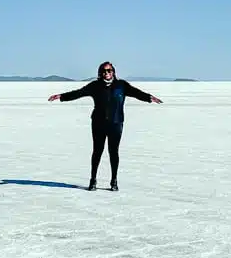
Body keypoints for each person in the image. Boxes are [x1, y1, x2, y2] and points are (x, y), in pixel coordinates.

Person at [49, 62, 163, 191]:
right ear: (100, 73)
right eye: (104, 71)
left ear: (113, 72)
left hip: (116, 123)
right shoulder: (95, 86)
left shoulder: (121, 85)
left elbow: (137, 93)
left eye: (109, 70)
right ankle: (93, 180)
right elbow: (78, 93)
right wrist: (61, 96)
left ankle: (114, 181)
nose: (106, 73)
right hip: (98, 123)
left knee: (113, 152)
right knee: (97, 151)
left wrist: (149, 97)